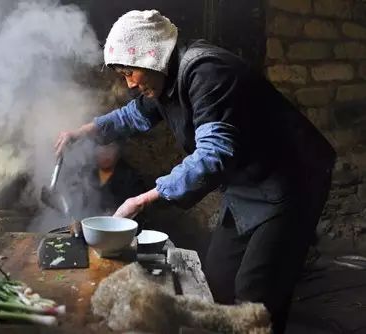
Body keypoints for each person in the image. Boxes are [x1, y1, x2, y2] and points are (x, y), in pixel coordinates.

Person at [55, 10, 335, 333]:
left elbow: (213, 154)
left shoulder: (206, 73)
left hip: (290, 182)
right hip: (248, 185)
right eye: (123, 75)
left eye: (130, 72)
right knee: (216, 279)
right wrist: (84, 131)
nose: (130, 84)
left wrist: (143, 199)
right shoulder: (163, 80)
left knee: (256, 295)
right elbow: (134, 116)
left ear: (152, 58)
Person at [76, 141, 147, 217]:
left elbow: (137, 209)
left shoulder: (130, 176)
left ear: (118, 151)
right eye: (100, 149)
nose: (106, 154)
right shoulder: (86, 173)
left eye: (110, 147)